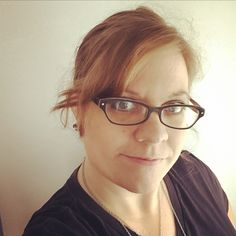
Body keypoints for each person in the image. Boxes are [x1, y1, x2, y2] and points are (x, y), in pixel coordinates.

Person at [23, 6, 236, 236]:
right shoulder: (56, 230)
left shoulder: (194, 173)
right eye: (124, 105)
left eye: (173, 106)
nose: (156, 135)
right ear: (79, 110)